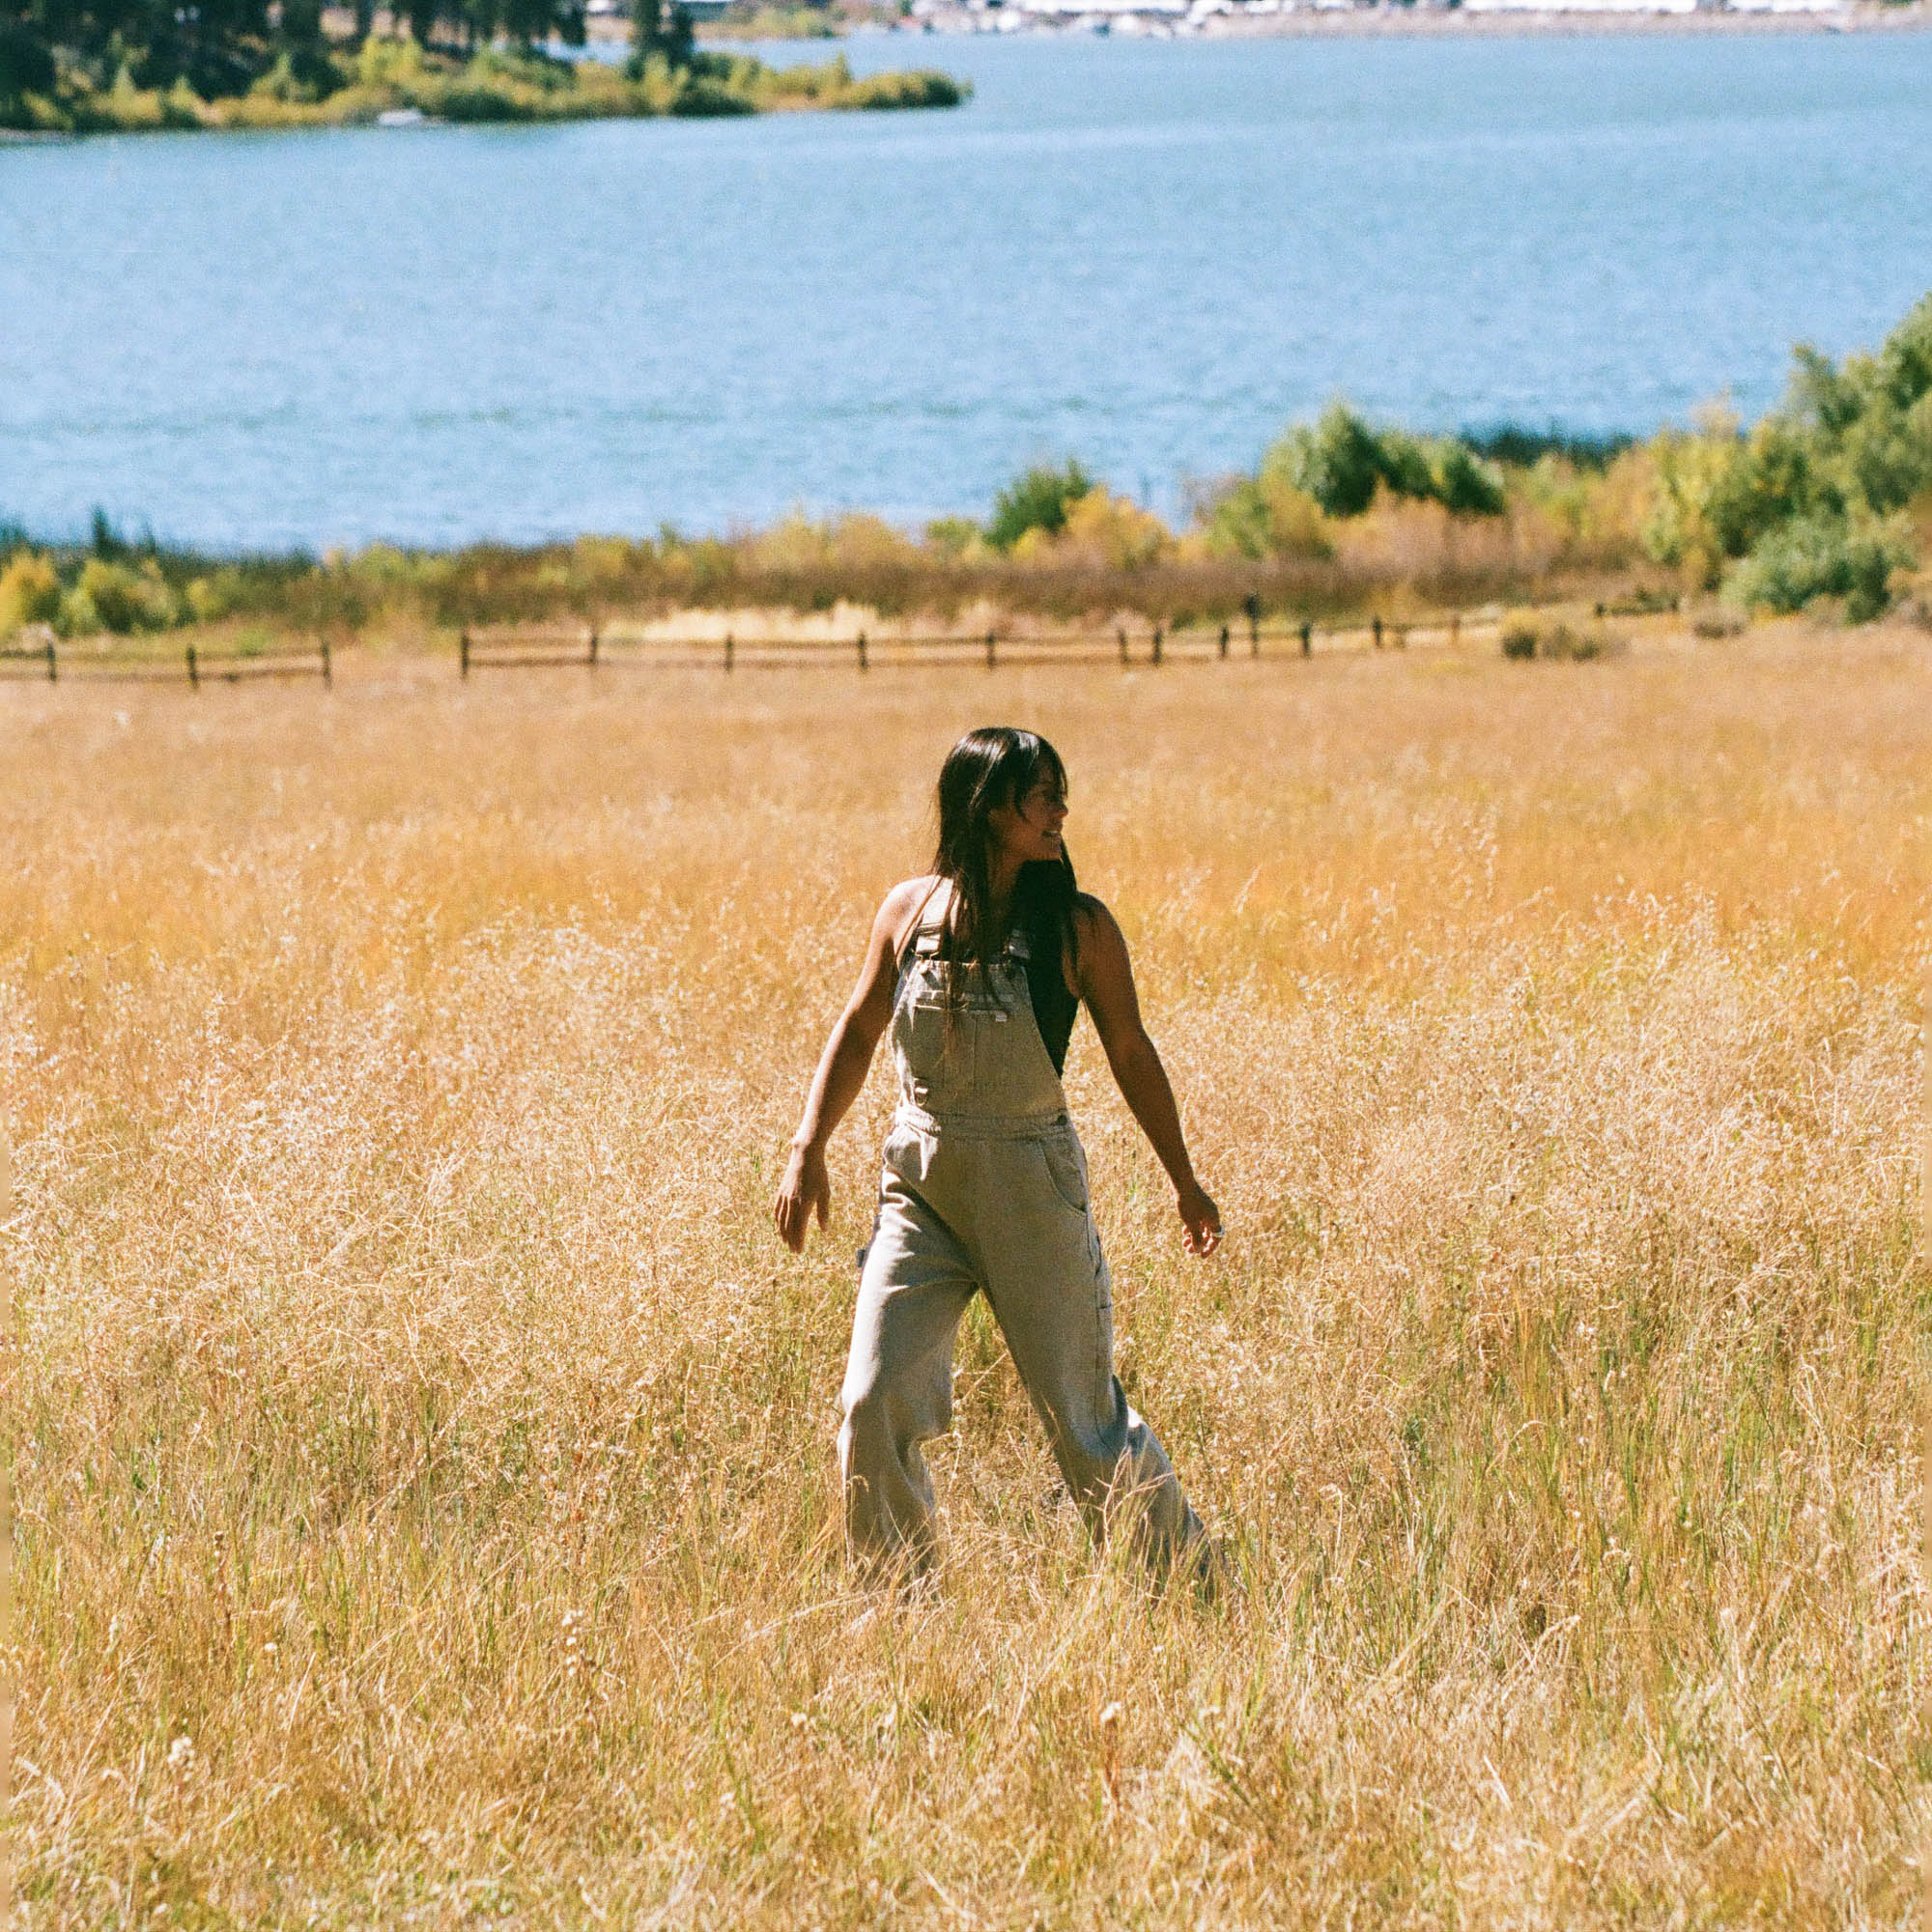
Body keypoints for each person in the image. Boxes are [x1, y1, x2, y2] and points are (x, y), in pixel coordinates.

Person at [773, 725, 1222, 1581]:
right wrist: (808, 1145)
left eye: (1061, 796)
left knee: (1086, 1428)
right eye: (1044, 796)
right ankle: (897, 1606)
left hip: (1030, 1188)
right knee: (871, 1403)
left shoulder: (1080, 930)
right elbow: (861, 1027)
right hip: (921, 1187)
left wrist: (1184, 1182)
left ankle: (1190, 1588)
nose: (1061, 812)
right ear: (987, 809)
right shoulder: (907, 912)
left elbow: (1131, 1052)